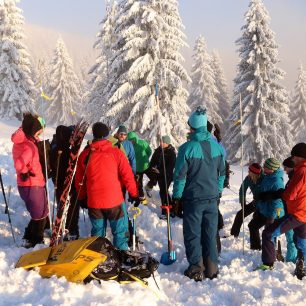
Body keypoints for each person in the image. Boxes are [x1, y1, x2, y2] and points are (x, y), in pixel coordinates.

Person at [173, 106, 226, 281]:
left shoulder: (187, 148)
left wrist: (177, 197)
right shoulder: (217, 148)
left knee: (193, 234)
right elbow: (223, 173)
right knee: (210, 234)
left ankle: (196, 268)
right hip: (212, 199)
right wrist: (217, 191)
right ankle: (211, 269)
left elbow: (180, 176)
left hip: (193, 199)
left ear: (192, 127)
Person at [75, 122, 139, 250]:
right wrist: (134, 194)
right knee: (120, 233)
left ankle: (97, 259)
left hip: (94, 202)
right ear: (106, 136)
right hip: (114, 201)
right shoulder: (116, 153)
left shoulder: (85, 155)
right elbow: (128, 176)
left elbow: (79, 180)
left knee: (97, 235)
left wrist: (81, 197)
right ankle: (122, 257)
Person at [258, 144, 306, 279]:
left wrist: (279, 194)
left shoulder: (301, 171)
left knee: (268, 233)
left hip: (297, 213)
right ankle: (302, 267)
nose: (292, 159)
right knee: (301, 241)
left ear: (300, 157)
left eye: (294, 156)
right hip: (303, 212)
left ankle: (268, 263)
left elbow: (290, 195)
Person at [12, 113, 49, 248]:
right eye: (39, 133)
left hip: (28, 185)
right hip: (32, 185)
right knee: (40, 214)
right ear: (33, 131)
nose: (40, 135)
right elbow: (19, 164)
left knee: (38, 213)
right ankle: (36, 241)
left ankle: (28, 236)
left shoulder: (22, 142)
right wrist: (25, 172)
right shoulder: (29, 147)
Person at [50, 125, 80, 240]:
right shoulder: (66, 151)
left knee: (62, 206)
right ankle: (71, 229)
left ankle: (63, 228)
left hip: (58, 183)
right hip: (67, 183)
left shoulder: (54, 148)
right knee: (72, 207)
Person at [248, 158, 284, 250]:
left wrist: (272, 216)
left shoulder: (276, 182)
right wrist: (258, 209)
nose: (263, 168)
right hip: (263, 210)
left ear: (272, 169)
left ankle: (272, 253)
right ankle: (256, 248)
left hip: (272, 213)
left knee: (269, 234)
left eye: (266, 167)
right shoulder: (267, 176)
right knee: (252, 226)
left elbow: (278, 201)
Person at [145, 135, 176, 216]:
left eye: (163, 142)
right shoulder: (158, 150)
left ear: (167, 143)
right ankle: (170, 209)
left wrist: (160, 171)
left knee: (163, 191)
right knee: (163, 191)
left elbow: (171, 166)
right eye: (161, 142)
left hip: (167, 175)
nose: (161, 143)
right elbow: (153, 160)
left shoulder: (171, 152)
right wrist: (153, 167)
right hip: (158, 174)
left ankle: (166, 211)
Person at [230, 163, 263, 238]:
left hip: (263, 204)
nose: (248, 172)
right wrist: (243, 203)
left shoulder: (263, 179)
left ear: (254, 173)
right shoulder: (248, 178)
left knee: (255, 222)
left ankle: (256, 244)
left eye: (249, 171)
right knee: (240, 214)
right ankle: (233, 235)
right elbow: (242, 190)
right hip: (255, 202)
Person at [127, 131, 152, 204]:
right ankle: (142, 199)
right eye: (129, 140)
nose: (131, 141)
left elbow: (149, 151)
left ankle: (148, 187)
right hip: (137, 169)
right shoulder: (128, 147)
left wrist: (146, 158)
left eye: (132, 139)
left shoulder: (142, 143)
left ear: (135, 138)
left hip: (146, 166)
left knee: (154, 178)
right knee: (139, 185)